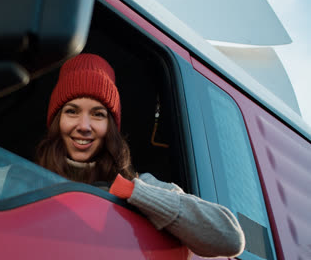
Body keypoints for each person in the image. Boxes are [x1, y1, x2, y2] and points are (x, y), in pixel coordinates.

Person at [36, 53, 245, 258]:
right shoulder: (15, 178)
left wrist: (131, 192)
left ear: (110, 129)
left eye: (98, 114)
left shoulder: (140, 187)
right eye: (72, 111)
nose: (84, 126)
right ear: (57, 122)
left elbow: (230, 237)